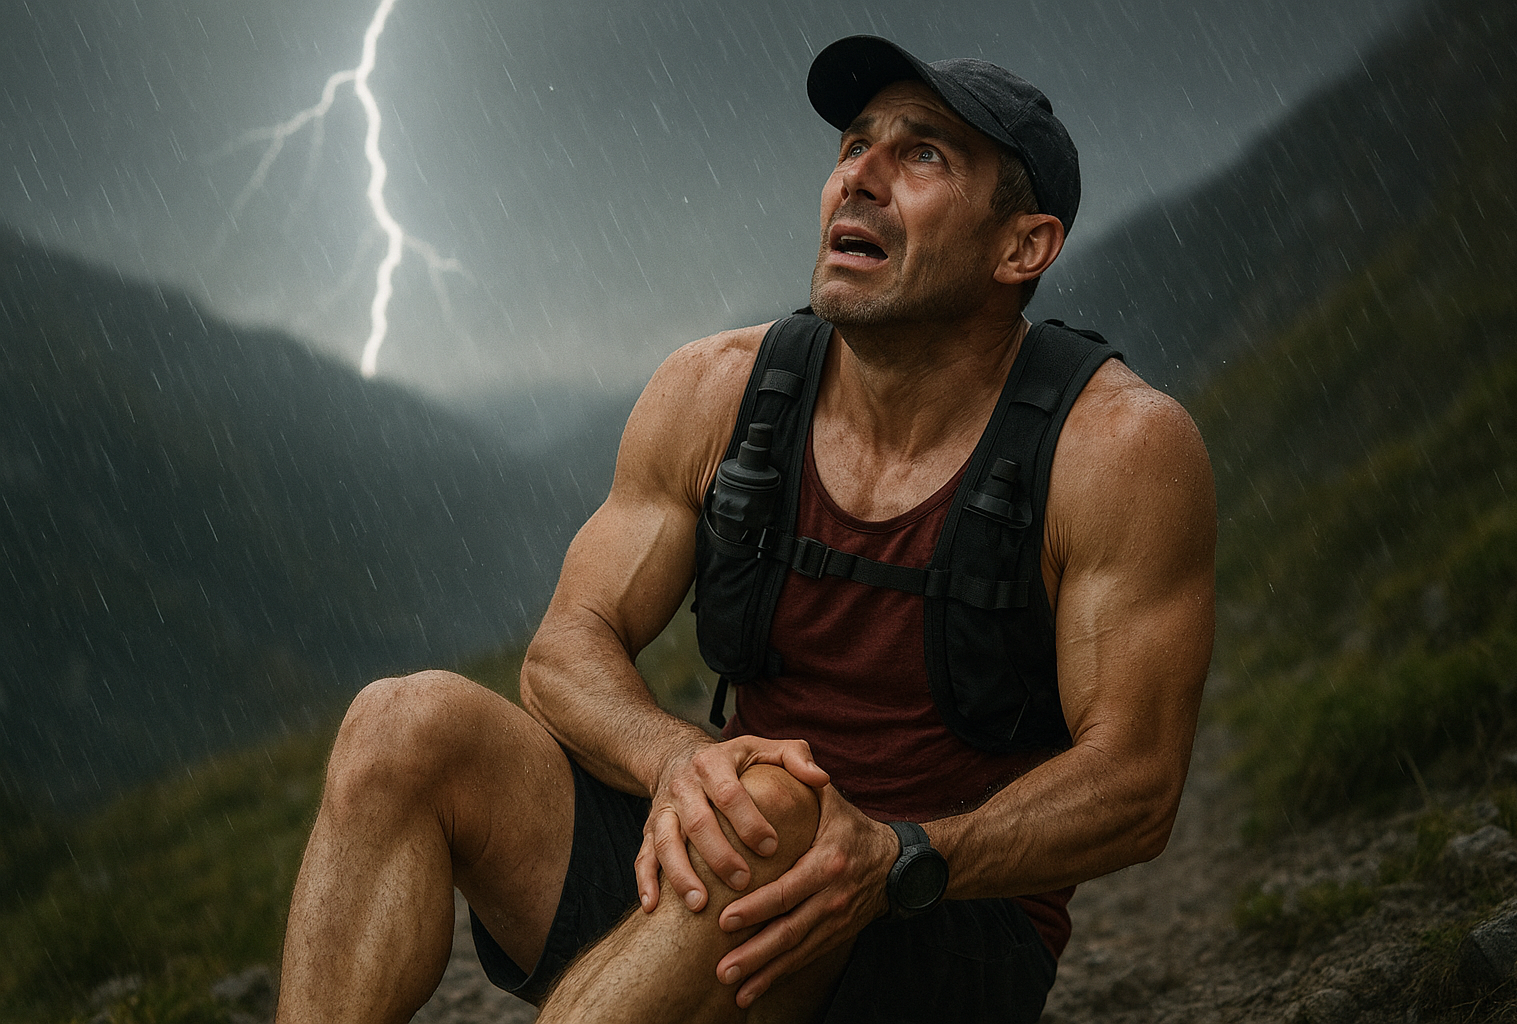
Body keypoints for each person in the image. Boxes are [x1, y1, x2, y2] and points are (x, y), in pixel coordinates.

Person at [274, 34, 1216, 1024]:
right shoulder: (717, 391)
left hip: (937, 929)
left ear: (1022, 246)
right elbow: (565, 647)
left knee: (770, 813)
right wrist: (678, 761)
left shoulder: (1115, 448)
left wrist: (903, 855)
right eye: (855, 143)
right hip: (716, 882)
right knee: (402, 723)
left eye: (923, 153)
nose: (859, 175)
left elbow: (1136, 782)